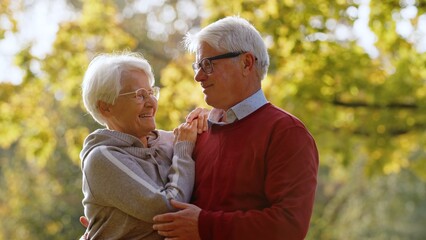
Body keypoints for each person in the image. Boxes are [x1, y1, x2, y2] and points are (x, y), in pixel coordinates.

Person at [152, 16, 319, 240]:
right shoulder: (196, 133)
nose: (198, 76)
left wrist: (205, 226)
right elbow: (163, 204)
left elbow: (289, 226)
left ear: (246, 63)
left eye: (208, 64)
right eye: (198, 66)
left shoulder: (286, 133)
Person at [80, 52, 208, 239]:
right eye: (139, 95)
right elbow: (170, 210)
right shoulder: (101, 157)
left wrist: (207, 118)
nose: (151, 103)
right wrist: (183, 150)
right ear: (106, 106)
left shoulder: (171, 139)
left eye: (151, 92)